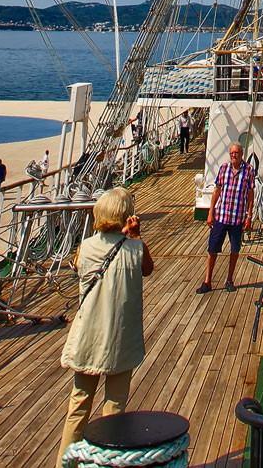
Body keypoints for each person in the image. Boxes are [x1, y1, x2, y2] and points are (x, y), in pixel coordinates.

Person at [56, 188, 154, 468]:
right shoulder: (135, 248)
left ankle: (66, 463)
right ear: (126, 216)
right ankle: (105, 463)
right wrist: (134, 236)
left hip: (88, 336)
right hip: (120, 338)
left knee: (79, 404)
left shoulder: (85, 247)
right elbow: (147, 269)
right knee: (114, 408)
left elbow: (79, 267)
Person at [198, 142, 255, 294]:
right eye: (232, 153)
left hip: (237, 218)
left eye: (236, 153)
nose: (234, 155)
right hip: (221, 217)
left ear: (241, 154)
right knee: (212, 249)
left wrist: (249, 216)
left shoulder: (249, 170)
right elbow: (217, 190)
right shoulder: (224, 168)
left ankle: (229, 280)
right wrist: (210, 212)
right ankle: (207, 281)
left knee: (235, 250)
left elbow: (250, 195)